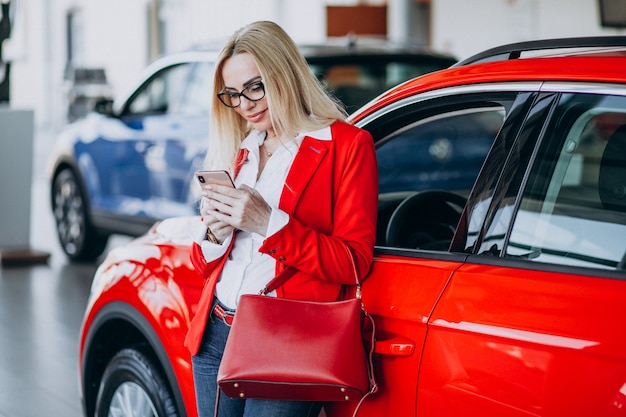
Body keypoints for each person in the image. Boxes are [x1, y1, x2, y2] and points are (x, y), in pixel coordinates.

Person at [184, 20, 378, 417]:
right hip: (215, 332)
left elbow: (354, 261)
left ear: (285, 74)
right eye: (234, 94)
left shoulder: (346, 146)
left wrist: (267, 223)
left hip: (286, 336)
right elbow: (206, 264)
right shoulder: (240, 148)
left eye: (256, 87)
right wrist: (215, 234)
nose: (246, 104)